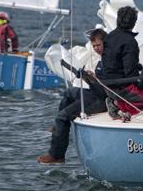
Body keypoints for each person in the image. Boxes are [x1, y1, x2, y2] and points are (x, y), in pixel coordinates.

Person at [37, 29, 108, 165]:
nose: (96, 49)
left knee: (62, 116)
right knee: (70, 92)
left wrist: (92, 79)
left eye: (99, 45)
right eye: (94, 46)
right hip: (96, 92)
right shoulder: (104, 57)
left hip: (101, 99)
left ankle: (57, 155)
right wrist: (90, 77)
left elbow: (107, 87)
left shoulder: (109, 58)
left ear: (105, 43)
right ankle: (58, 127)